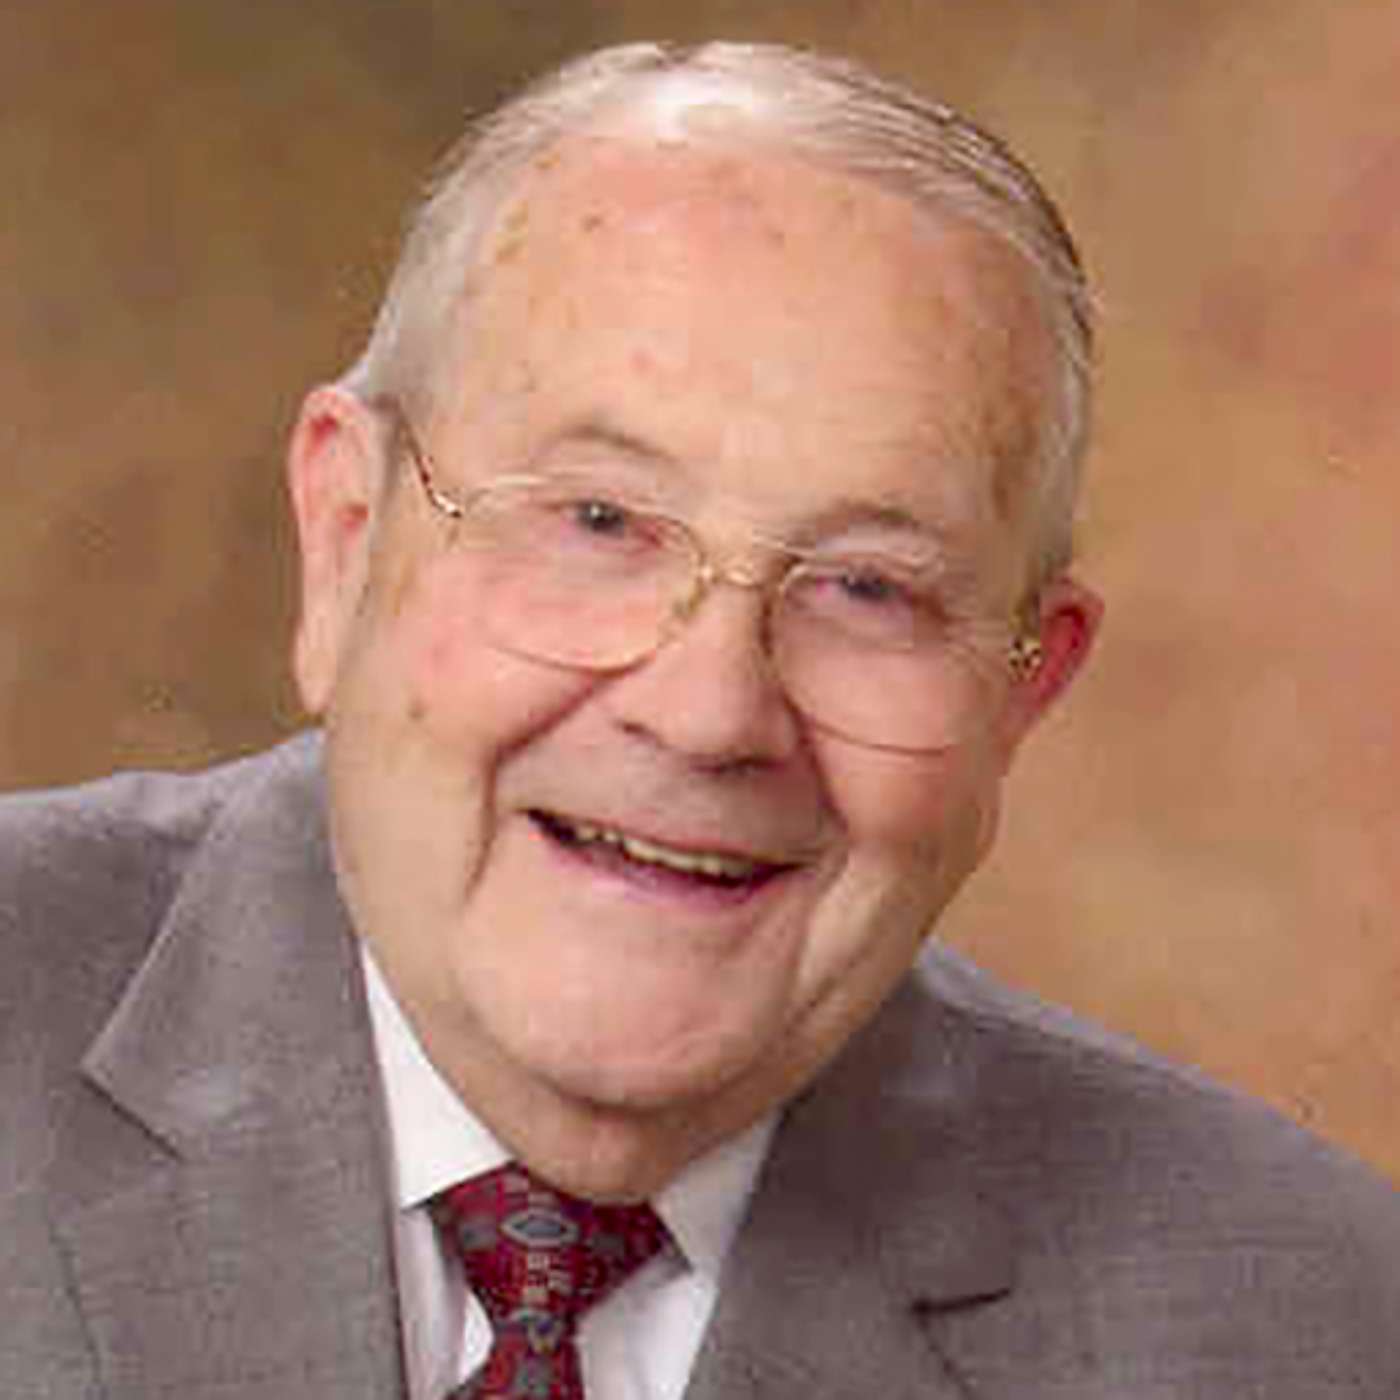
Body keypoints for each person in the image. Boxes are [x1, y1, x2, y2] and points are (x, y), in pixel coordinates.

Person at [3, 39, 1399, 1400]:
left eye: (869, 588)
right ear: (346, 537)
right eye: (598, 521)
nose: (708, 712)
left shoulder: (1307, 1330)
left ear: (1023, 693)